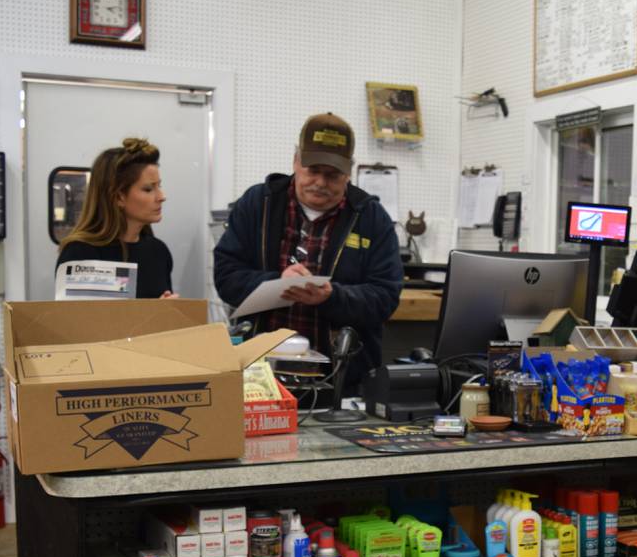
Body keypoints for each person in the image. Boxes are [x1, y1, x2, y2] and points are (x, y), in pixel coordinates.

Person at [214, 113, 401, 385]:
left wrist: (331, 297)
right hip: (259, 375)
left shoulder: (371, 218)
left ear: (349, 171)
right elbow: (226, 276)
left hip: (342, 379)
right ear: (295, 160)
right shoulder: (259, 204)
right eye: (313, 170)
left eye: (333, 175)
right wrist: (277, 284)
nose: (321, 183)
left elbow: (385, 297)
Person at [55, 137, 177, 299]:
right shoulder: (80, 254)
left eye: (158, 186)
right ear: (119, 197)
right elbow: (78, 321)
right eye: (148, 189)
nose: (162, 197)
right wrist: (152, 314)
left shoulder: (158, 252)